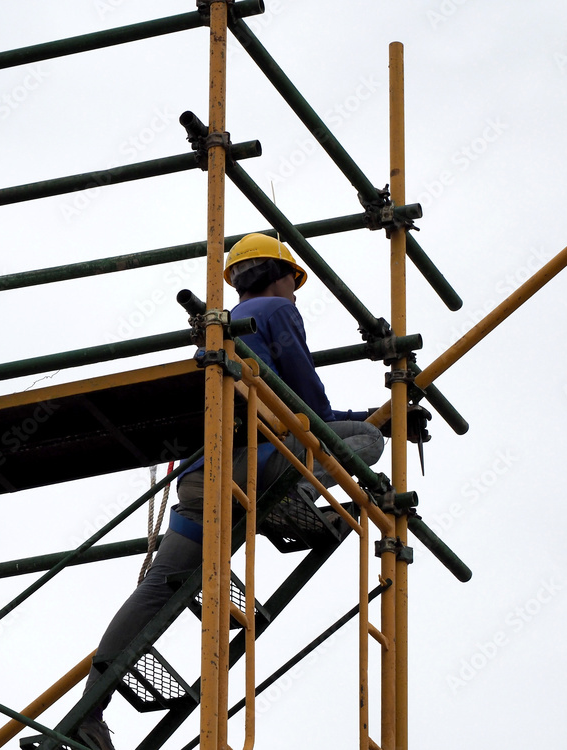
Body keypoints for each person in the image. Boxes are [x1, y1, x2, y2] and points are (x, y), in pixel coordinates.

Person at [76, 234, 385, 750]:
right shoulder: (276, 311)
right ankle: (294, 494)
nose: (296, 293)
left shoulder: (226, 327)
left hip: (206, 476)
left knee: (157, 589)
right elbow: (312, 412)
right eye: (294, 281)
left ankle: (89, 712)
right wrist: (383, 419)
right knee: (366, 443)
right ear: (278, 274)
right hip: (257, 467)